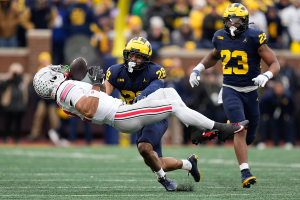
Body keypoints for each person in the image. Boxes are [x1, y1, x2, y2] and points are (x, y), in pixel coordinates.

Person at [33, 64, 247, 192]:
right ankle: (220, 129)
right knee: (172, 105)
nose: (57, 69)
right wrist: (97, 84)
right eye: (53, 71)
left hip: (121, 112)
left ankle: (195, 130)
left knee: (169, 94)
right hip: (120, 115)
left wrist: (95, 87)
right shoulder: (66, 88)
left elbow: (90, 103)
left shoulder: (62, 94)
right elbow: (88, 109)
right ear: (52, 78)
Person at [189, 3, 280, 188]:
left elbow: (275, 63)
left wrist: (267, 75)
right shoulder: (220, 36)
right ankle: (245, 172)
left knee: (250, 135)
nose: (232, 24)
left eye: (236, 20)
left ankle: (213, 133)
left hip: (251, 91)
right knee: (240, 128)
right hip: (230, 89)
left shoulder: (255, 37)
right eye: (229, 20)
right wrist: (198, 68)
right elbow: (215, 55)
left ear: (245, 21)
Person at [105, 37, 192, 191]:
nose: (133, 59)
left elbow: (157, 85)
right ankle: (189, 164)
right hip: (138, 118)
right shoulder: (115, 71)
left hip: (155, 115)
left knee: (144, 148)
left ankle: (164, 180)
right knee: (158, 163)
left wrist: (143, 95)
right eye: (131, 55)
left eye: (138, 57)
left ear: (146, 59)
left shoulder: (155, 71)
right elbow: (104, 95)